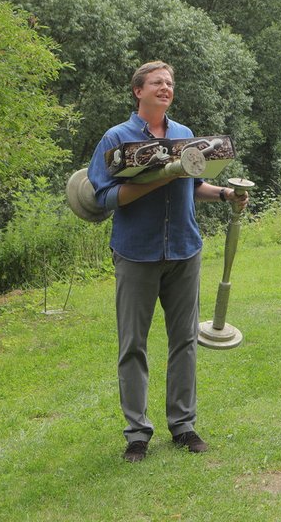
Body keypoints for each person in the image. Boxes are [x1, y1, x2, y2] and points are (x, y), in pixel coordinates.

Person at [86, 61, 247, 463]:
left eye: (170, 83)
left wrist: (226, 195)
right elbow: (105, 198)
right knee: (133, 346)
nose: (165, 87)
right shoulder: (116, 138)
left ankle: (183, 427)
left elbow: (194, 186)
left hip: (184, 250)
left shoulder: (185, 136)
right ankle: (137, 435)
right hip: (136, 253)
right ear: (137, 91)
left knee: (185, 341)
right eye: (157, 82)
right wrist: (164, 174)